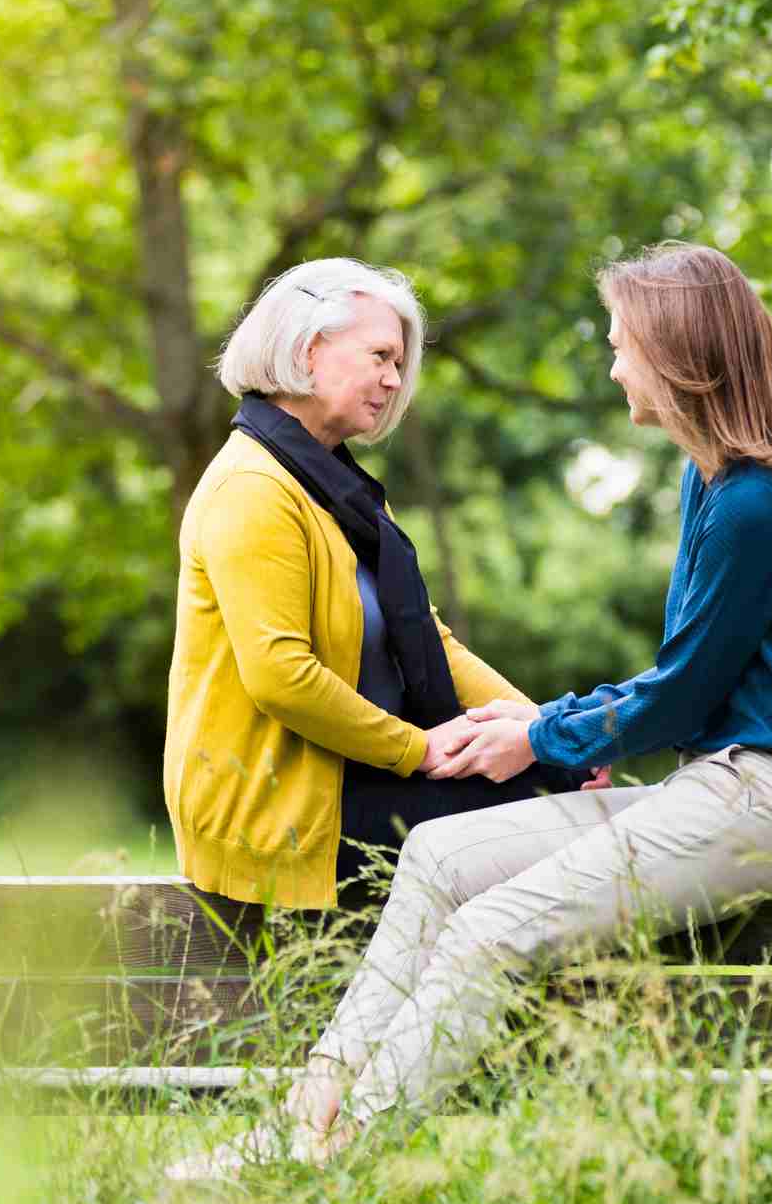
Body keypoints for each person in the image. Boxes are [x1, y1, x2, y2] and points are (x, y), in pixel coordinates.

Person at [166, 242, 772, 1178]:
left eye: (622, 345)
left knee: (492, 931)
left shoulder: (757, 507)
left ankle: (326, 1158)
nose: (613, 364)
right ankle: (309, 1108)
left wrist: (543, 733)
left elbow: (687, 690)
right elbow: (679, 683)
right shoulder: (713, 488)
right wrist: (551, 734)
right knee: (438, 854)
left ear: (679, 356)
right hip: (720, 786)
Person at [164, 257, 588, 913]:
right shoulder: (254, 488)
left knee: (565, 780)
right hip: (282, 805)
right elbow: (281, 675)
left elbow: (431, 641)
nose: (394, 381)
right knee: (554, 814)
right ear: (309, 349)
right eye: (381, 357)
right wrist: (418, 749)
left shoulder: (337, 489)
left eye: (399, 364)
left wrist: (551, 731)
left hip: (354, 776)